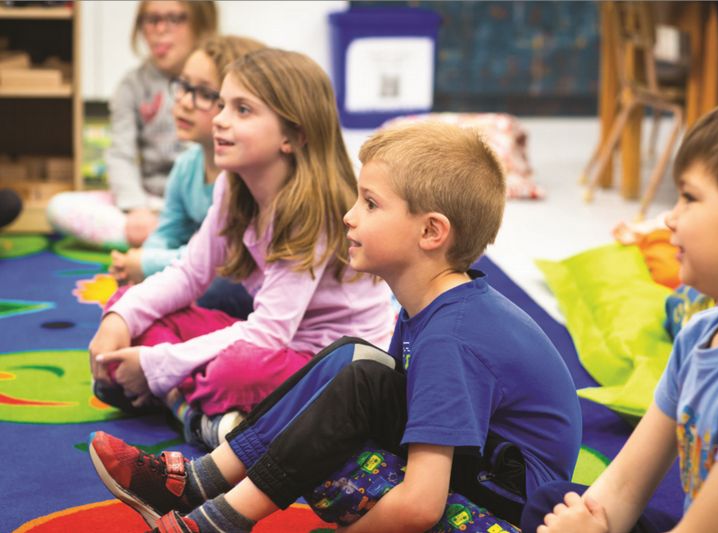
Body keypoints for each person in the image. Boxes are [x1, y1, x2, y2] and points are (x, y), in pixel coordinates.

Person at [88, 121, 583, 532]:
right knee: (353, 361)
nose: (348, 217)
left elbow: (420, 505)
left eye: (370, 203)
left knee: (334, 433)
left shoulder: (452, 335)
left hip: (504, 514)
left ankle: (220, 516)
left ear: (431, 232)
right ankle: (200, 484)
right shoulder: (428, 309)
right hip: (477, 471)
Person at [87, 48, 395, 451]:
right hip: (276, 341)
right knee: (130, 302)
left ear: (294, 136)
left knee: (235, 370)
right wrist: (120, 320)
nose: (219, 119)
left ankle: (184, 407)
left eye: (243, 110)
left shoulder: (309, 211)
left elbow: (267, 334)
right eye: (222, 105)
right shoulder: (232, 187)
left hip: (330, 362)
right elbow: (188, 275)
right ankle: (203, 413)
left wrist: (154, 364)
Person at [527, 91, 718, 533]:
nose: (669, 219)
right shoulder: (699, 333)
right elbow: (621, 489)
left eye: (689, 198)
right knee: (556, 503)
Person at [109, 34, 266, 319]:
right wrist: (144, 259)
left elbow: (222, 258)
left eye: (205, 94)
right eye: (182, 85)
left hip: (242, 277)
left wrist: (147, 263)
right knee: (136, 296)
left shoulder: (245, 177)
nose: (183, 101)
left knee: (214, 290)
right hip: (198, 263)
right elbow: (167, 231)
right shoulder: (186, 165)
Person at [47, 1, 218, 250]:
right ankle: (183, 242)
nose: (160, 29)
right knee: (59, 207)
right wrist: (137, 209)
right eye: (151, 19)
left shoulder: (224, 77)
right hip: (152, 203)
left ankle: (184, 241)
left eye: (174, 18)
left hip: (204, 199)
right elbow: (120, 155)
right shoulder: (132, 85)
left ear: (201, 23)